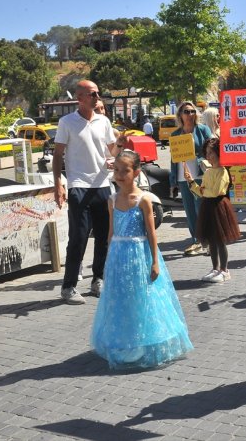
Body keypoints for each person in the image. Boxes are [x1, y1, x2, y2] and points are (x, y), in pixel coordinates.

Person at [91, 150, 193, 369]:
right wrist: (107, 259)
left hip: (138, 254)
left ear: (136, 172)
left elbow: (151, 233)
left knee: (141, 297)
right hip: (119, 255)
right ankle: (125, 343)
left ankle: (143, 344)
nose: (119, 175)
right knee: (121, 298)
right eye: (116, 170)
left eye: (125, 171)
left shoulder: (144, 200)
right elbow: (110, 232)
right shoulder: (112, 199)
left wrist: (155, 261)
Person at [53, 80, 121, 305]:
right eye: (92, 94)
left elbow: (112, 150)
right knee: (79, 237)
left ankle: (98, 279)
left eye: (98, 93)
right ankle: (68, 286)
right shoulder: (66, 122)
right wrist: (58, 184)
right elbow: (57, 155)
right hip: (79, 185)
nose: (97, 97)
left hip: (102, 185)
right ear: (80, 97)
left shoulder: (103, 121)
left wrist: (119, 148)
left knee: (103, 236)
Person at [185, 137, 241, 283]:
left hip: (218, 206)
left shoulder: (223, 172)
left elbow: (215, 191)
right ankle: (215, 268)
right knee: (211, 240)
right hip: (208, 206)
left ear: (218, 153)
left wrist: (202, 190)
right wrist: (191, 182)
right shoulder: (209, 172)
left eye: (211, 153)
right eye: (207, 153)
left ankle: (224, 270)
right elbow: (201, 191)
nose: (209, 156)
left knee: (220, 240)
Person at [168, 101, 213, 256]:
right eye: (186, 111)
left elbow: (211, 148)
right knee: (189, 210)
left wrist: (200, 157)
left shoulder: (203, 130)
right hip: (182, 176)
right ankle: (196, 240)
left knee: (200, 207)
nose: (190, 114)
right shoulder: (175, 135)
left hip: (199, 175)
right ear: (180, 114)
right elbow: (173, 159)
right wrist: (172, 181)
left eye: (192, 111)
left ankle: (207, 239)